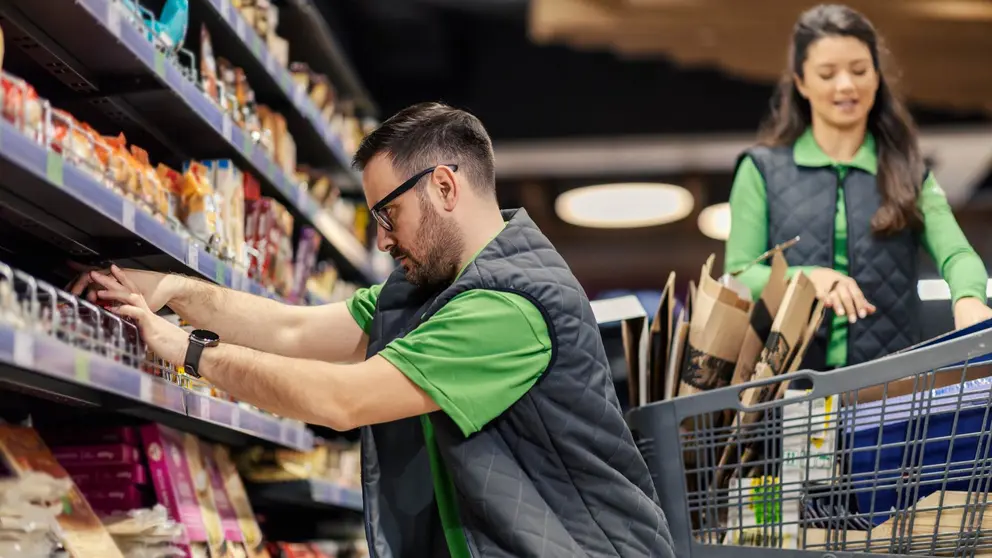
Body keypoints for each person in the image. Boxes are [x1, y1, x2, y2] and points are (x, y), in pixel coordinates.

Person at [71, 103, 674, 558]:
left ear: (443, 186)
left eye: (388, 213)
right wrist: (177, 291)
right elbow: (290, 329)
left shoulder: (507, 308)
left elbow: (342, 400)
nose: (382, 237)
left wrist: (187, 349)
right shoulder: (431, 289)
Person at [724, 4, 992, 369]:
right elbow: (740, 274)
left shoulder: (908, 172)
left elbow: (956, 255)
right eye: (827, 73)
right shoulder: (761, 170)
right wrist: (808, 278)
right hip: (790, 389)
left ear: (877, 77)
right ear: (801, 82)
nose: (846, 85)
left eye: (859, 70)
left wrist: (969, 298)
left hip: (888, 391)